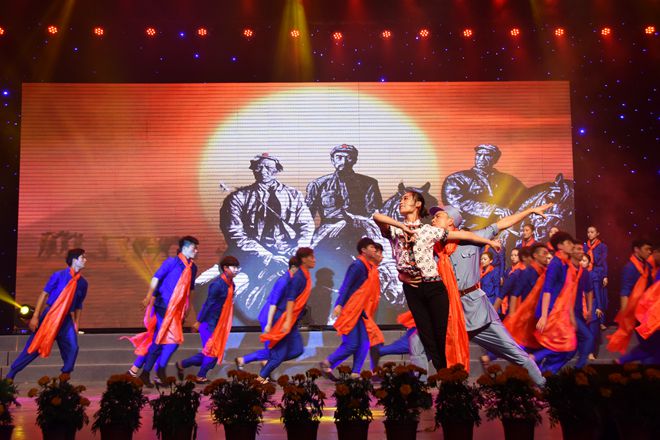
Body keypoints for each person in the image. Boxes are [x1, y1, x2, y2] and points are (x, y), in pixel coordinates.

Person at [373, 191, 502, 370]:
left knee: (441, 333)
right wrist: (402, 227)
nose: (401, 202)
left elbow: (465, 236)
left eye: (406, 199)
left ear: (418, 204)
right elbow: (376, 217)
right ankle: (442, 371)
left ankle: (447, 373)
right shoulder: (395, 229)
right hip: (413, 288)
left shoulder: (428, 230)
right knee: (426, 335)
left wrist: (490, 242)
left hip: (434, 286)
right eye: (401, 199)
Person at [429, 205, 550, 386]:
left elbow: (501, 224)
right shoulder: (432, 247)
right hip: (451, 314)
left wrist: (529, 211)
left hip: (478, 312)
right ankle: (451, 397)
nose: (432, 220)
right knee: (433, 353)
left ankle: (544, 387)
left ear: (451, 221)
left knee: (516, 354)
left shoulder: (473, 239)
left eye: (438, 216)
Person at [219, 153, 314, 322]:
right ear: (253, 170)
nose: (263, 171)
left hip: (288, 257)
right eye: (259, 167)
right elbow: (235, 232)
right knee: (217, 286)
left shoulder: (294, 195)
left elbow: (307, 225)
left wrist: (297, 250)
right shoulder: (239, 198)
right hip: (251, 259)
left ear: (277, 170)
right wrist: (267, 257)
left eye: (269, 168)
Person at [7, 249, 88, 380]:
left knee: (73, 347)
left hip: (66, 320)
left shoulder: (83, 283)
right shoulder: (59, 275)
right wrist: (35, 316)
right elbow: (44, 295)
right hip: (50, 316)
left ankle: (65, 376)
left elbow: (78, 305)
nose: (85, 260)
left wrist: (76, 323)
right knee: (33, 348)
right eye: (82, 257)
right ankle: (11, 375)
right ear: (74, 260)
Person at [139, 236, 199, 386]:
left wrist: (188, 306)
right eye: (194, 248)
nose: (196, 251)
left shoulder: (193, 267)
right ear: (185, 248)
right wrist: (148, 296)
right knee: (171, 341)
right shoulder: (171, 262)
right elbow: (156, 278)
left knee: (161, 341)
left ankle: (146, 373)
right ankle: (160, 370)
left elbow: (190, 289)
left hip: (177, 310)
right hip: (163, 307)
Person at [320, 238, 384, 377]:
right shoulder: (358, 265)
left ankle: (355, 373)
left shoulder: (369, 268)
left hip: (361, 312)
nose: (374, 250)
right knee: (352, 344)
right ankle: (328, 363)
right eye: (372, 247)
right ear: (363, 250)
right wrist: (339, 304)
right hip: (352, 310)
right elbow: (347, 285)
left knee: (364, 343)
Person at [175, 256, 240, 383]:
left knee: (210, 352)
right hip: (208, 323)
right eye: (234, 267)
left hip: (219, 324)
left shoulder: (232, 284)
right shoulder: (217, 285)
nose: (236, 270)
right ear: (225, 268)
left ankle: (182, 364)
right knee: (212, 352)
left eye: (237, 267)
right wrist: (198, 322)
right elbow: (208, 304)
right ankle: (200, 375)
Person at [258, 247, 316, 382]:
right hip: (284, 319)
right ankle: (260, 378)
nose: (314, 260)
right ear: (303, 259)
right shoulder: (298, 277)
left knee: (297, 350)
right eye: (311, 257)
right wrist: (287, 321)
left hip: (292, 321)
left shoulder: (305, 275)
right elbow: (290, 300)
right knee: (279, 355)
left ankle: (269, 362)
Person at [234, 257, 300, 371]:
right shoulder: (283, 281)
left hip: (278, 319)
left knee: (287, 350)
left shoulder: (292, 281)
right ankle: (246, 361)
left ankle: (253, 362)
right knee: (274, 351)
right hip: (269, 317)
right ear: (293, 267)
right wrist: (269, 323)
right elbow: (273, 302)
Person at [441, 144, 527, 230]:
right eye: (479, 155)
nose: (481, 159)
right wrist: (494, 209)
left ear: (495, 159)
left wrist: (510, 212)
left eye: (487, 155)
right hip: (468, 228)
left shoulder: (508, 180)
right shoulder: (457, 178)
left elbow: (524, 199)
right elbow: (457, 203)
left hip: (502, 227)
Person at [533, 232, 580, 374]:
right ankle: (535, 360)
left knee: (567, 347)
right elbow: (547, 290)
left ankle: (543, 372)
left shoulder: (565, 264)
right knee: (565, 345)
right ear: (560, 246)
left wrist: (570, 316)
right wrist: (544, 316)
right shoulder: (556, 264)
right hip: (551, 311)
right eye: (568, 243)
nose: (572, 246)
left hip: (559, 312)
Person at [607, 239, 653, 356]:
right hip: (637, 312)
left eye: (650, 249)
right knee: (647, 342)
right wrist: (625, 314)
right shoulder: (630, 268)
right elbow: (624, 292)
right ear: (637, 250)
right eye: (646, 249)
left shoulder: (646, 265)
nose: (649, 252)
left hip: (647, 309)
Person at [504, 244, 551, 351]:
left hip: (538, 316)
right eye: (544, 253)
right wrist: (512, 316)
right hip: (526, 317)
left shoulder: (545, 272)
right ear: (535, 255)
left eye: (547, 253)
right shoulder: (527, 272)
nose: (547, 256)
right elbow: (515, 293)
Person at [583, 226, 608, 331]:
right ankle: (590, 318)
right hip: (588, 272)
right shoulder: (585, 246)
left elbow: (604, 261)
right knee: (589, 296)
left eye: (592, 232)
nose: (590, 234)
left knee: (600, 296)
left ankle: (601, 321)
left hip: (599, 272)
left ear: (597, 233)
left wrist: (605, 275)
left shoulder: (602, 246)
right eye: (588, 232)